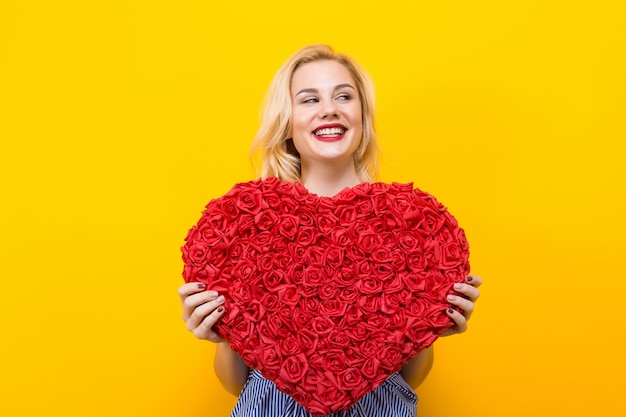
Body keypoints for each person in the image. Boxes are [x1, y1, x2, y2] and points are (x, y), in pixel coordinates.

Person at [178, 44, 482, 417]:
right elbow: (236, 385)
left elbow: (409, 378)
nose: (329, 108)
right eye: (309, 99)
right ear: (287, 121)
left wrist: (428, 324)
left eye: (344, 95)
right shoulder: (247, 226)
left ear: (362, 115)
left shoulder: (409, 226)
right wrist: (222, 332)